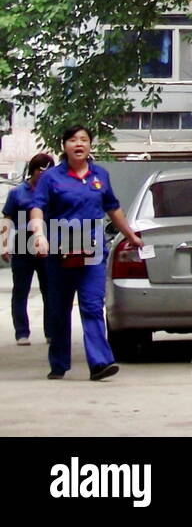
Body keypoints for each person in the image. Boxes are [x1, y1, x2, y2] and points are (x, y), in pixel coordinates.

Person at [28, 126, 144, 381]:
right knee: (59, 309)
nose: (78, 144)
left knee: (92, 305)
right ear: (64, 146)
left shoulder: (99, 174)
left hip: (92, 248)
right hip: (60, 249)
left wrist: (131, 236)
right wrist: (38, 235)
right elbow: (37, 208)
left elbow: (113, 208)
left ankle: (100, 362)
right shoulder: (51, 178)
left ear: (90, 145)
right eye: (72, 140)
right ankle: (58, 363)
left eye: (84, 140)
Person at [1, 153, 56, 344]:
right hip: (23, 244)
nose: (43, 175)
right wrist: (4, 243)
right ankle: (22, 332)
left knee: (49, 289)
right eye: (40, 171)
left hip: (47, 244)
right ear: (33, 170)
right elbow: (7, 218)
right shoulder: (17, 193)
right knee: (21, 290)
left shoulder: (53, 192)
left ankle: (51, 331)